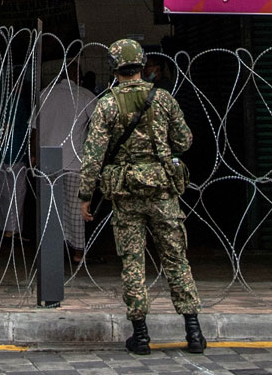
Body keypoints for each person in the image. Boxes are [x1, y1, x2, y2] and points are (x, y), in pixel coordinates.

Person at [79, 38, 204, 356]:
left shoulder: (107, 104)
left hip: (126, 193)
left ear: (114, 67)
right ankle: (193, 331)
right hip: (162, 191)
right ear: (141, 65)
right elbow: (185, 140)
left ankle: (141, 334)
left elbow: (93, 155)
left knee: (133, 263)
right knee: (176, 259)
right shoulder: (161, 99)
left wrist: (85, 195)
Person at [37, 61, 97, 262]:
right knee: (75, 208)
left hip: (48, 161)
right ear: (78, 77)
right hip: (74, 162)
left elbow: (33, 129)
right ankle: (78, 251)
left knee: (51, 208)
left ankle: (53, 251)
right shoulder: (85, 96)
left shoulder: (45, 94)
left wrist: (33, 155)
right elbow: (99, 126)